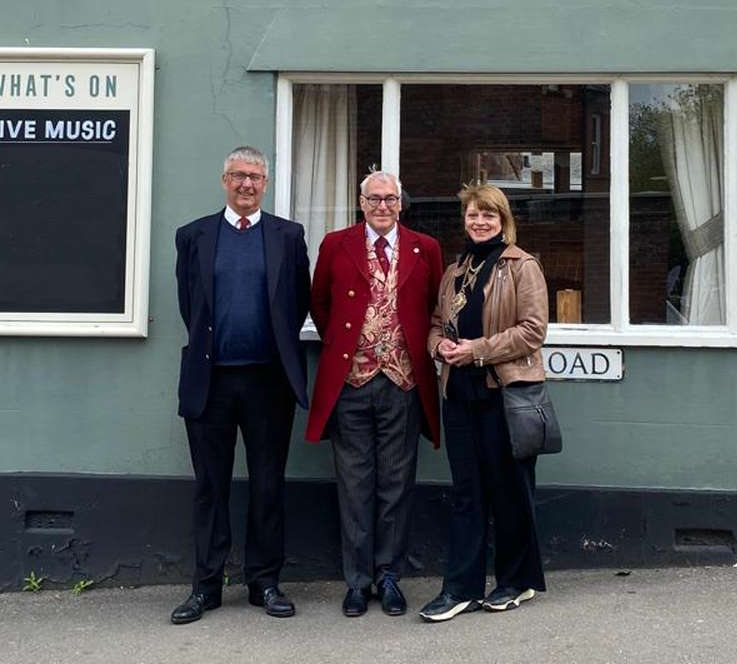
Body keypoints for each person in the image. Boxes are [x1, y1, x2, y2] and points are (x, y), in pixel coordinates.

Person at [170, 146, 311, 624]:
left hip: (268, 381)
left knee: (268, 484)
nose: (247, 185)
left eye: (255, 177)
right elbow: (190, 306)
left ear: (266, 184)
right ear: (224, 180)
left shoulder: (289, 237)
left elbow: (297, 303)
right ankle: (206, 586)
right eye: (238, 176)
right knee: (210, 486)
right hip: (211, 380)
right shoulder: (193, 236)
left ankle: (265, 582)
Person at [306, 171, 444, 618]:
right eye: (374, 198)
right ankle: (357, 581)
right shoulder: (335, 244)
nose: (383, 206)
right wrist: (352, 352)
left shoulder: (426, 247)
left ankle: (388, 577)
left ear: (401, 204)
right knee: (354, 484)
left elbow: (433, 309)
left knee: (396, 486)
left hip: (403, 383)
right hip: (351, 384)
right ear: (360, 202)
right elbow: (320, 304)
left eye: (391, 199)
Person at [419, 183, 549, 623]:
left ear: (503, 220)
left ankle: (516, 581)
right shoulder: (455, 270)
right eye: (473, 214)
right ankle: (461, 588)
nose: (479, 222)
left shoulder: (522, 265)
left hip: (503, 396)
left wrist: (475, 350)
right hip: (460, 396)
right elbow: (436, 324)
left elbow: (533, 330)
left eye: (488, 215)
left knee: (509, 492)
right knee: (466, 495)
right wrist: (439, 348)